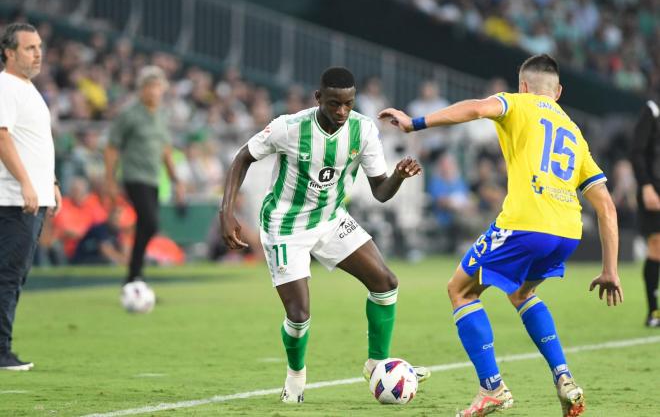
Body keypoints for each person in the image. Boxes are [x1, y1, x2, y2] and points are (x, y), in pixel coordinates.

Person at [379, 54, 623, 417]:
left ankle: (492, 389)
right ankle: (565, 377)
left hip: (525, 224)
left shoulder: (517, 102)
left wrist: (415, 123)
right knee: (522, 292)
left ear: (523, 85)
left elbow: (477, 108)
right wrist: (610, 269)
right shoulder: (573, 130)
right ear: (558, 92)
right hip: (568, 231)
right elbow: (606, 205)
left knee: (459, 289)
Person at [221, 67, 429, 403]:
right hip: (285, 226)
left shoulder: (362, 130)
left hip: (331, 219)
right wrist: (226, 211)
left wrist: (399, 177)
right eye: (334, 104)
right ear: (318, 98)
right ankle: (295, 376)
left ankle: (376, 365)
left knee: (386, 283)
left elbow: (380, 191)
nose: (342, 112)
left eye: (348, 104)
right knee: (299, 315)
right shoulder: (288, 128)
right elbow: (242, 158)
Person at [0, 22, 61, 370]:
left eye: (39, 46)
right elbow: (3, 138)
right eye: (29, 48)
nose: (38, 53)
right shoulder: (6, 85)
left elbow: (34, 143)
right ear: (9, 52)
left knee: (14, 275)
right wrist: (26, 183)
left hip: (33, 196)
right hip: (12, 199)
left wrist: (49, 182)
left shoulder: (27, 88)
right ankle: (0, 350)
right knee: (7, 276)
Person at [104, 65, 184, 286]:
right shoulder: (129, 114)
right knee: (149, 222)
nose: (154, 91)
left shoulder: (161, 115)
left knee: (146, 225)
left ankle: (134, 275)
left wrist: (175, 179)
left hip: (153, 178)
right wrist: (109, 181)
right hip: (133, 175)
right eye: (149, 86)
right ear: (141, 89)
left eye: (158, 86)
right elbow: (112, 148)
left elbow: (165, 149)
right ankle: (134, 272)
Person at [630, 97, 660, 327]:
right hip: (654, 188)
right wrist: (646, 185)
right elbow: (637, 151)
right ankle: (654, 312)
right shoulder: (652, 109)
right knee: (656, 247)